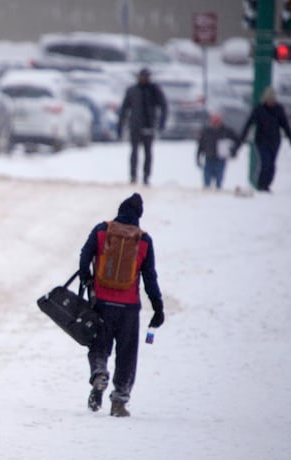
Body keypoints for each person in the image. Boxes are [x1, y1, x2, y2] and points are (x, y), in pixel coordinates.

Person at [78, 193, 164, 417]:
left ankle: (99, 373)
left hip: (102, 303)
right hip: (128, 308)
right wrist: (158, 307)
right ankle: (119, 401)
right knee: (126, 355)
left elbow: (84, 256)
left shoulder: (101, 230)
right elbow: (150, 277)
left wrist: (87, 279)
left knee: (99, 345)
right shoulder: (144, 240)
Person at [233, 86, 291, 192]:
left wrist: (290, 136)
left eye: (273, 99)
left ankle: (267, 185)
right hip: (261, 141)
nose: (271, 102)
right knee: (265, 163)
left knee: (272, 165)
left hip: (275, 141)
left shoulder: (279, 109)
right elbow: (249, 124)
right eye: (269, 99)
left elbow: (284, 124)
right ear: (265, 99)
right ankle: (261, 185)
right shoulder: (259, 109)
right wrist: (241, 139)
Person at [118, 68, 168, 186]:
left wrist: (161, 122)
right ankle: (133, 176)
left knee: (148, 152)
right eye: (141, 76)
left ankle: (146, 176)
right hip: (135, 126)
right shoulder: (132, 90)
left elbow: (164, 106)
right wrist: (121, 124)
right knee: (134, 152)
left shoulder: (154, 90)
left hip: (149, 126)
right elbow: (125, 108)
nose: (143, 79)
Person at [196, 112, 239, 189]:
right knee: (207, 180)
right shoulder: (206, 132)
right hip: (209, 157)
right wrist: (198, 158)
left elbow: (237, 141)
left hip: (221, 159)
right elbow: (201, 146)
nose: (215, 124)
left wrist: (233, 150)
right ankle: (207, 192)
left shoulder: (226, 131)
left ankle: (218, 193)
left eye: (217, 121)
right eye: (213, 121)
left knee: (219, 180)